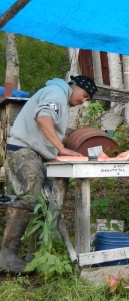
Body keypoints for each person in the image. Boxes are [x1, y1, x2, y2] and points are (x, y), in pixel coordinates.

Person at [0, 75, 97, 272]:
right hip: (24, 150)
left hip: (37, 154)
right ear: (75, 85)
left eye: (87, 99)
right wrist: (60, 148)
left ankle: (34, 255)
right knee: (29, 200)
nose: (83, 101)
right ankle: (6, 256)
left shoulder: (60, 96)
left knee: (44, 204)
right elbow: (43, 117)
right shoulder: (57, 93)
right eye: (84, 95)